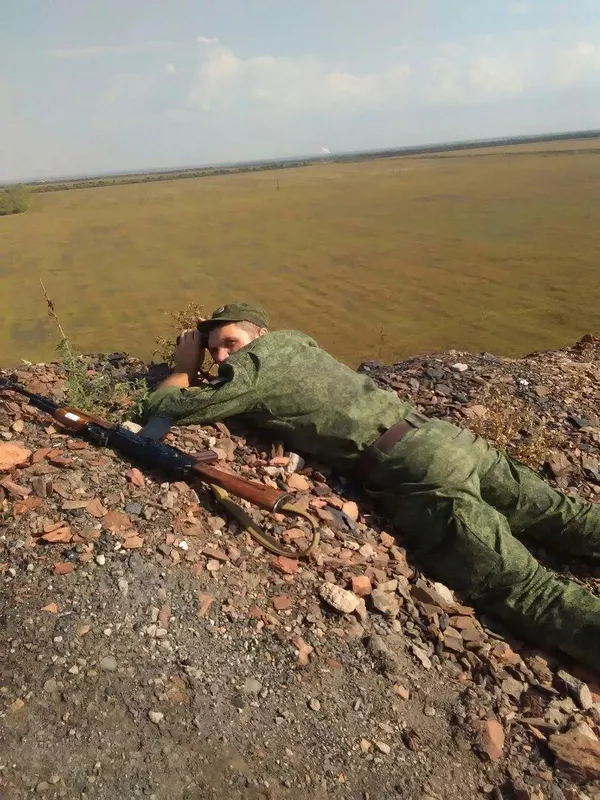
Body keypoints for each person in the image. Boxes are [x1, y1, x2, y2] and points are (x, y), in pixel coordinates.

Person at [144, 302, 600, 672]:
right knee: (565, 515)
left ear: (258, 337)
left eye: (230, 344)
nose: (224, 358)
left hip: (416, 468)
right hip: (449, 439)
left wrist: (185, 364)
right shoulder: (301, 343)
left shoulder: (256, 366)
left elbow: (167, 408)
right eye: (213, 351)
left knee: (526, 589)